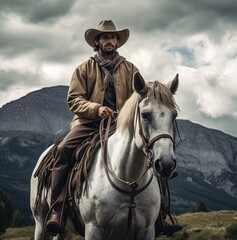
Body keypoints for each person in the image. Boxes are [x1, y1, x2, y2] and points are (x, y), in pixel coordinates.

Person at [45, 20, 182, 236]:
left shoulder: (130, 69)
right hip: (88, 124)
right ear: (97, 42)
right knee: (62, 151)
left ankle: (160, 213)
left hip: (121, 125)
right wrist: (96, 109)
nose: (109, 40)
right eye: (104, 37)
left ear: (117, 42)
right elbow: (74, 99)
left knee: (154, 155)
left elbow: (139, 98)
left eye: (112, 37)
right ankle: (58, 208)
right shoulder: (84, 69)